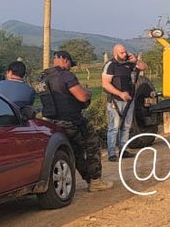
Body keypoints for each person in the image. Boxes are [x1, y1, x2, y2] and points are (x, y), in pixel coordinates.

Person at [39, 50, 108, 192]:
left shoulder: (42, 77)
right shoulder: (65, 75)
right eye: (70, 63)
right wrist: (88, 93)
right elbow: (82, 96)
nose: (70, 67)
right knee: (92, 144)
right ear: (65, 60)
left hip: (52, 123)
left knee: (75, 152)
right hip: (71, 121)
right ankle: (95, 180)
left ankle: (89, 180)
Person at [103, 44, 149, 160]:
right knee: (114, 127)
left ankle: (123, 150)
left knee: (126, 126)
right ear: (115, 53)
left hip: (129, 99)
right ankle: (112, 154)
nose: (125, 54)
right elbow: (105, 84)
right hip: (115, 100)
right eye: (122, 53)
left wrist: (136, 60)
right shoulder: (110, 65)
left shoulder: (129, 63)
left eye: (125, 52)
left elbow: (144, 67)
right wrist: (120, 94)